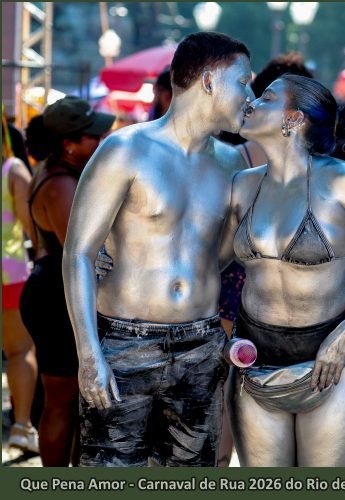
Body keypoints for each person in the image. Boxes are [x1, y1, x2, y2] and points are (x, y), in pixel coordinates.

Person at [62, 32, 255, 467]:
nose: (250, 95)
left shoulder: (232, 163)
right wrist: (88, 354)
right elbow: (77, 252)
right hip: (123, 342)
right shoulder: (125, 149)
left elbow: (222, 254)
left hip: (201, 344)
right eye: (243, 82)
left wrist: (338, 266)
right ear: (209, 80)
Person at [222, 74, 345, 466]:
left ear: (293, 118)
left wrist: (344, 336)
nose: (252, 102)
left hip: (334, 362)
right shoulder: (242, 185)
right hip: (255, 360)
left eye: (267, 97)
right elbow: (211, 262)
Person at [19, 96, 115, 466]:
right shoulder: (61, 184)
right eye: (93, 135)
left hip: (55, 290)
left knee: (74, 401)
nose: (100, 140)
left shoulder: (59, 171)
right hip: (55, 296)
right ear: (68, 144)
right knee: (61, 399)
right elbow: (81, 252)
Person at [2, 112, 38, 455]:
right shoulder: (12, 170)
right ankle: (22, 426)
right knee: (20, 350)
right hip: (9, 273)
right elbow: (32, 227)